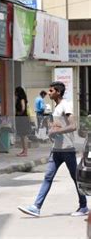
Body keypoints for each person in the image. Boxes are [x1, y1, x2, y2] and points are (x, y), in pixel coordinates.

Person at [18, 81, 88, 218]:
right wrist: (52, 132)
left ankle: (84, 206)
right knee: (48, 177)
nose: (48, 93)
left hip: (67, 150)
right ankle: (36, 207)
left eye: (51, 91)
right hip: (56, 150)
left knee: (75, 178)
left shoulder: (65, 105)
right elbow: (57, 127)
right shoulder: (55, 107)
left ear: (58, 92)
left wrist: (57, 131)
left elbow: (74, 126)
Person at [15, 86, 32, 157]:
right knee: (22, 135)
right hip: (21, 118)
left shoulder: (22, 99)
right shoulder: (20, 98)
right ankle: (23, 150)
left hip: (22, 118)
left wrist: (19, 113)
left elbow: (23, 108)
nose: (14, 93)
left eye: (16, 91)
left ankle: (25, 152)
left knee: (24, 135)